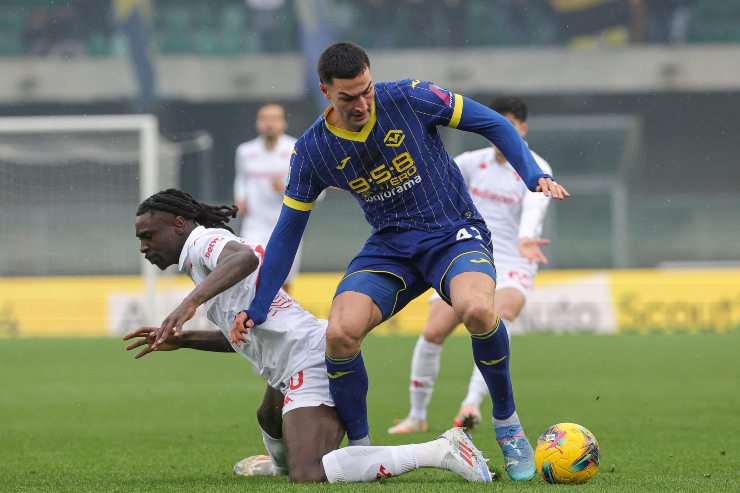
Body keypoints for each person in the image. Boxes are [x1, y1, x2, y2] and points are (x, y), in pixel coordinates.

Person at [223, 42, 570, 481]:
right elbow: (287, 233)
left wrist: (532, 174)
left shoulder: (411, 96)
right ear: (326, 92)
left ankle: (507, 423)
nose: (362, 104)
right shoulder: (313, 151)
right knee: (340, 333)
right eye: (348, 97)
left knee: (479, 310)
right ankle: (364, 450)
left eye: (366, 91)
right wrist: (257, 308)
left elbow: (494, 123)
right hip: (389, 246)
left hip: (452, 232)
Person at [128, 188, 492, 483]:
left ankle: (440, 450)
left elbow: (244, 259)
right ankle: (276, 465)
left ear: (178, 224)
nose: (143, 247)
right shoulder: (197, 264)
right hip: (292, 360)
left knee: (310, 473)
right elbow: (245, 338)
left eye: (147, 236)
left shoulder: (203, 242)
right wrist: (185, 339)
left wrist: (188, 305)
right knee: (269, 417)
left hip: (309, 358)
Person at [388, 96, 554, 436]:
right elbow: (435, 179)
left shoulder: (537, 166)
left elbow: (535, 209)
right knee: (434, 331)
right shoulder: (471, 162)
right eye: (496, 128)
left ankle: (471, 404)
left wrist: (525, 238)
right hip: (468, 253)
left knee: (494, 322)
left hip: (512, 262)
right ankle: (417, 414)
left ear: (521, 128)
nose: (499, 136)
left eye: (507, 127)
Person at [233, 102, 300, 291]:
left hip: (287, 225)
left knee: (284, 280)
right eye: (264, 118)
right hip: (255, 224)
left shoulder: (296, 149)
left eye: (274, 118)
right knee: (252, 273)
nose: (269, 123)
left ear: (284, 123)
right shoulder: (245, 151)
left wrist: (287, 187)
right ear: (257, 123)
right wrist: (240, 198)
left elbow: (315, 190)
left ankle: (282, 319)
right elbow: (241, 178)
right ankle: (254, 318)